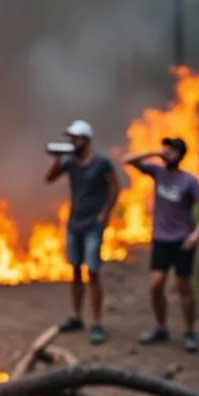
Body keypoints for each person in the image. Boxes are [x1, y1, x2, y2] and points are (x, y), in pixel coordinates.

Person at [124, 138, 199, 352]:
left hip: (182, 241)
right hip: (161, 239)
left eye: (172, 150)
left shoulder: (189, 181)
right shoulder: (157, 172)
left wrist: (197, 234)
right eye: (167, 148)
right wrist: (155, 152)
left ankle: (189, 332)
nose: (167, 152)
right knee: (156, 285)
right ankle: (161, 328)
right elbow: (128, 160)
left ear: (180, 155)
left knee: (184, 287)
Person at [45, 120, 119, 345]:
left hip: (93, 225)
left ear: (86, 140)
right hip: (75, 224)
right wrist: (57, 158)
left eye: (75, 138)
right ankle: (77, 317)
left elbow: (115, 187)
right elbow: (49, 178)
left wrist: (105, 213)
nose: (71, 141)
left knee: (93, 272)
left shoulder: (102, 163)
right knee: (76, 270)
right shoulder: (71, 162)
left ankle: (97, 323)